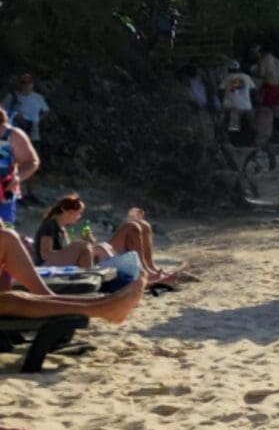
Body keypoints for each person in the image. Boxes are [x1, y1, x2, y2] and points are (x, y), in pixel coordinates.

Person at [0, 224, 146, 323]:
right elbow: (45, 253)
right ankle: (103, 308)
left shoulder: (58, 227)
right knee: (10, 300)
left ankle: (52, 298)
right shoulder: (50, 226)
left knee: (6, 237)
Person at [35, 195, 180, 285]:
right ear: (66, 211)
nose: (79, 217)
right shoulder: (50, 226)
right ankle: (141, 274)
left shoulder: (61, 228)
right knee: (106, 244)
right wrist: (79, 247)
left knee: (140, 225)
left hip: (68, 263)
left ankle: (149, 269)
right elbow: (45, 254)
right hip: (51, 267)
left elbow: (64, 252)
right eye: (78, 213)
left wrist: (84, 244)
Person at [2, 74, 49, 204]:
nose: (26, 85)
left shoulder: (37, 98)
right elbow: (3, 112)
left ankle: (31, 192)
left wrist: (37, 121)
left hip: (32, 131)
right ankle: (17, 191)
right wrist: (15, 117)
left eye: (28, 82)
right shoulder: (12, 97)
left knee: (31, 161)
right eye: (23, 82)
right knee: (13, 163)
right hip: (15, 133)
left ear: (32, 84)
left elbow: (46, 110)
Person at [0, 107, 40, 226]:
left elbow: (31, 162)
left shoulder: (12, 135)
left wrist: (17, 178)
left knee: (4, 233)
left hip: (3, 193)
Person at [223, 59, 256, 134]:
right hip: (247, 107)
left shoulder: (226, 77)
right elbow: (254, 91)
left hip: (233, 108)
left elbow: (220, 91)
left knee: (233, 128)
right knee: (249, 128)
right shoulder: (247, 77)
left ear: (228, 69)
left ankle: (233, 135)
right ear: (238, 68)